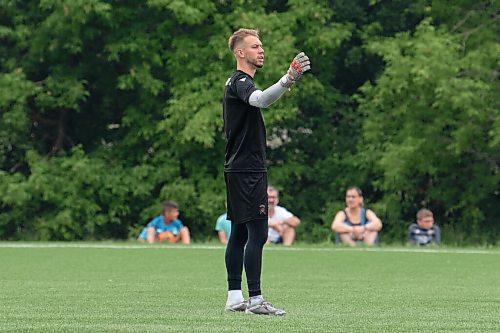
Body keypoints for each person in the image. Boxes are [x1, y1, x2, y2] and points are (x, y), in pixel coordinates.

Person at [222, 28, 310, 315]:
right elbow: (259, 99)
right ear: (240, 52)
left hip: (239, 168)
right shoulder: (241, 81)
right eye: (255, 46)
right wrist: (288, 79)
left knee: (238, 233)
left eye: (261, 46)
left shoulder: (235, 82)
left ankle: (235, 298)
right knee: (257, 234)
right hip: (247, 170)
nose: (261, 50)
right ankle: (256, 301)